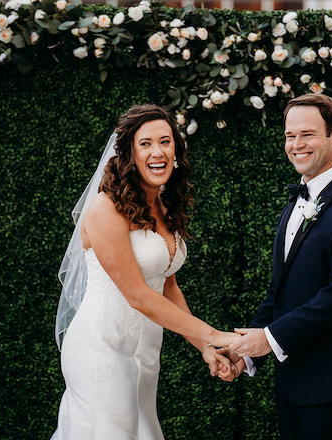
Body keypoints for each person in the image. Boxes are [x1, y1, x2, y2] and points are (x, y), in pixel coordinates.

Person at [51, 104, 240, 440]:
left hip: (144, 351)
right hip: (101, 347)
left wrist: (205, 349)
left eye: (165, 142)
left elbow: (168, 286)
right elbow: (138, 294)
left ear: (177, 151)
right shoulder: (106, 210)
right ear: (129, 155)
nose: (158, 152)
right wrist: (215, 335)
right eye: (146, 144)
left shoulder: (165, 207)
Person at [222, 93, 332, 439]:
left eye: (307, 134)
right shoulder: (296, 203)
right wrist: (245, 354)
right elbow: (281, 291)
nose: (296, 144)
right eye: (289, 135)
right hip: (297, 388)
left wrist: (268, 340)